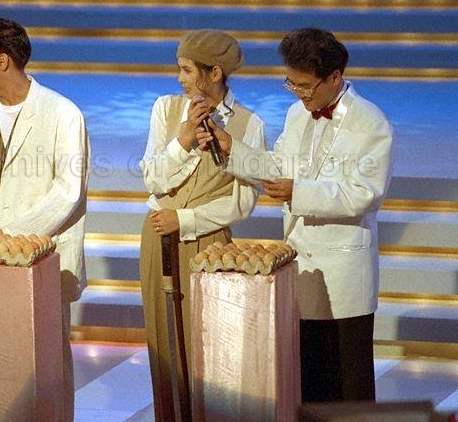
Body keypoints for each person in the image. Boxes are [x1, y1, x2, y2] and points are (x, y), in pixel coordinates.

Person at [197, 27, 393, 403]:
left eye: (306, 86)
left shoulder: (370, 123)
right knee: (308, 385)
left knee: (348, 388)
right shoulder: (295, 114)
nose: (300, 94)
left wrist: (298, 192)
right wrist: (230, 146)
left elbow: (364, 193)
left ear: (334, 77)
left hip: (343, 274)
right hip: (300, 268)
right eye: (292, 85)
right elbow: (277, 167)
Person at [0, 17, 89, 422]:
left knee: (44, 366)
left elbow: (68, 191)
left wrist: (8, 238)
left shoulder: (62, 112)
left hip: (40, 259)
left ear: (3, 61)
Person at [140, 29, 266, 421]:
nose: (180, 79)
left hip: (208, 241)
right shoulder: (166, 109)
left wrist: (186, 219)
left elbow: (243, 201)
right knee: (163, 343)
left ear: (214, 73)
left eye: (187, 70)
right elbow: (153, 178)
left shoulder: (248, 124)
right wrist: (182, 143)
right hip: (158, 234)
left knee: (208, 343)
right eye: (179, 69)